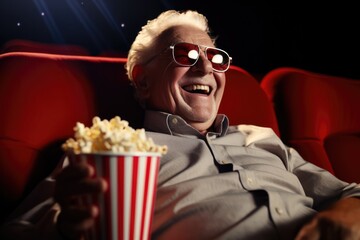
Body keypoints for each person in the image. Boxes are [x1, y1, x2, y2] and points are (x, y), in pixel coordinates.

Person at [1, 9, 360, 240]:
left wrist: (348, 211)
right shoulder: (110, 149)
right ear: (142, 80)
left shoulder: (263, 138)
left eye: (215, 58)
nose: (206, 69)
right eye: (185, 54)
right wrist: (65, 226)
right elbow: (20, 230)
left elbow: (348, 192)